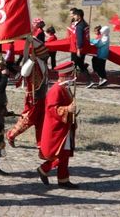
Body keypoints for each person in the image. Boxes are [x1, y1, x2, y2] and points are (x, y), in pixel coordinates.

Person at [37, 61, 79, 189]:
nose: (73, 78)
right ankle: (44, 168)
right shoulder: (56, 90)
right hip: (57, 128)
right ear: (66, 75)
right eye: (71, 75)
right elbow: (51, 109)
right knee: (59, 154)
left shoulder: (65, 88)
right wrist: (67, 109)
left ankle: (63, 179)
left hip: (65, 127)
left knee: (65, 154)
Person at [6, 39, 49, 148]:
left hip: (42, 96)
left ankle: (41, 143)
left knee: (41, 121)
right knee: (29, 119)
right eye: (44, 52)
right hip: (33, 97)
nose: (46, 54)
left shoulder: (43, 63)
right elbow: (24, 72)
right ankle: (11, 134)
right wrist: (31, 60)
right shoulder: (33, 62)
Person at [70, 8, 91, 83]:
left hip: (77, 49)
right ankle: (74, 80)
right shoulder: (85, 24)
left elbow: (80, 39)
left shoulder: (79, 26)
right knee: (79, 64)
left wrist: (78, 49)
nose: (73, 16)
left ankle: (88, 80)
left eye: (75, 15)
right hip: (83, 48)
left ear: (79, 16)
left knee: (74, 65)